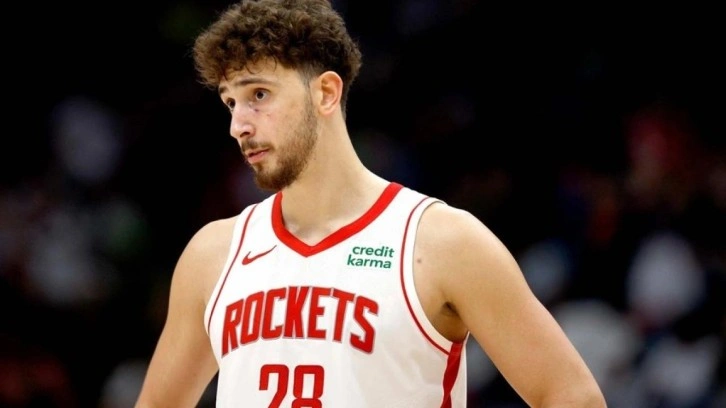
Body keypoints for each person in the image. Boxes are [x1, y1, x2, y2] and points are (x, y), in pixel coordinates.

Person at [134, 1, 607, 407]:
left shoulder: (441, 242)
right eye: (230, 102)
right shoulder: (213, 254)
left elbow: (573, 396)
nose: (239, 125)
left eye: (259, 94)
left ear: (325, 92)